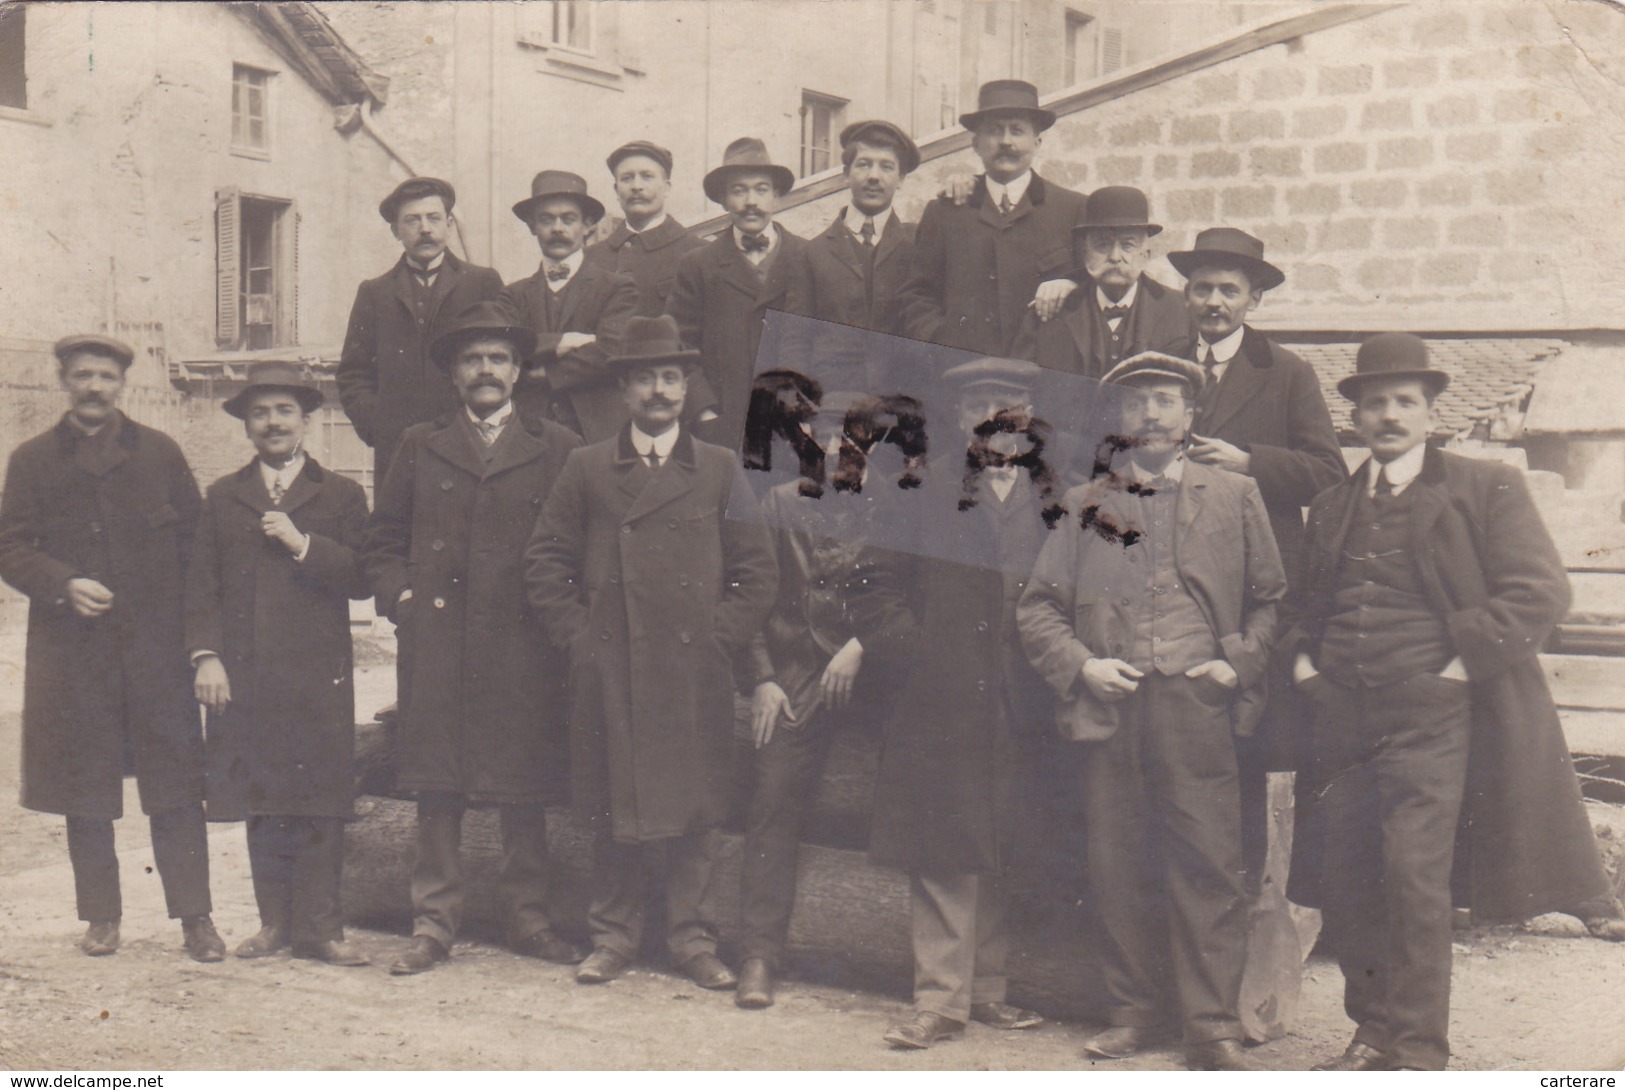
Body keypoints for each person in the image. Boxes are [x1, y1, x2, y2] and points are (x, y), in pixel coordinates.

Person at [1285, 334, 1615, 1071]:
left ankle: (1416, 1048)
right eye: (1375, 403)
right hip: (1341, 715)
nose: (1389, 416)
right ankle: (1370, 1031)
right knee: (1348, 876)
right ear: (1356, 418)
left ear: (1430, 413)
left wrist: (1460, 669)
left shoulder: (1481, 487)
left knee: (1412, 875)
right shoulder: (1333, 503)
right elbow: (1304, 605)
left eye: (1405, 402)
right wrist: (1307, 669)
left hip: (1430, 716)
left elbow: (1540, 592)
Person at [1017, 351, 1286, 1070]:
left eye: (1166, 400)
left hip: (1198, 707)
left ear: (1190, 415)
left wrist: (1236, 664)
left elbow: (1270, 599)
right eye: (1137, 403)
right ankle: (1131, 1013)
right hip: (1113, 707)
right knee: (1117, 862)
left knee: (1209, 865)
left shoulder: (1234, 495)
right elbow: (1038, 610)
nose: (1152, 414)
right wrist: (1083, 665)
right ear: (1118, 419)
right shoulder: (1081, 505)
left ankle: (1210, 1026)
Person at [525, 314, 777, 990]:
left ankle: (693, 941)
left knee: (696, 812)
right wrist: (582, 644)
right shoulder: (587, 467)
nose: (659, 391)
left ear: (687, 385)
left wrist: (717, 640)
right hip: (614, 668)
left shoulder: (720, 468)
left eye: (670, 377)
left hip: (692, 670)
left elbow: (757, 573)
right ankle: (612, 937)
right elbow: (545, 562)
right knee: (616, 806)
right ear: (624, 389)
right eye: (644, 379)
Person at [364, 301, 584, 976]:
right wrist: (401, 599)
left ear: (518, 373)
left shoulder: (557, 448)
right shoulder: (417, 443)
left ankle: (529, 919)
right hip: (439, 643)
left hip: (523, 647)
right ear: (453, 375)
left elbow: (576, 547)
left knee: (522, 788)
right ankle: (433, 925)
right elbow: (383, 540)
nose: (484, 371)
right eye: (471, 360)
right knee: (438, 786)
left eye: (497, 359)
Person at [849, 358, 1052, 1050]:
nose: (998, 416)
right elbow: (871, 589)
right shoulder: (916, 490)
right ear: (963, 416)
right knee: (942, 846)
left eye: (1012, 404)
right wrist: (921, 661)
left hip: (1025, 699)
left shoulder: (1056, 497)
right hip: (939, 700)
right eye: (982, 403)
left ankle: (987, 991)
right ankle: (938, 1001)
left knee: (1000, 837)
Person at [0, 334, 222, 962]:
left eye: (106, 377)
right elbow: (9, 545)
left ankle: (196, 920)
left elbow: (197, 552)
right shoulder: (32, 460)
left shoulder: (160, 453)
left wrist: (198, 643)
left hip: (156, 655)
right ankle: (101, 918)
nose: (95, 387)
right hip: (74, 655)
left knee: (176, 788)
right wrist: (62, 583)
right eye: (82, 376)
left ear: (123, 384)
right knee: (85, 789)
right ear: (62, 382)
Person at [1165, 226, 1345, 886]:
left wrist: (1251, 462)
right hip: (1176, 577)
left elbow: (1328, 473)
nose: (1214, 301)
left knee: (1247, 734)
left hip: (1256, 581)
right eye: (1202, 288)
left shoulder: (1286, 372)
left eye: (1229, 291)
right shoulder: (1160, 365)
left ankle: (1248, 893)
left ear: (1254, 301)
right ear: (1186, 295)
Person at [185, 362, 371, 966]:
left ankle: (321, 928)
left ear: (305, 420)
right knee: (263, 800)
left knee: (320, 799)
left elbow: (365, 578)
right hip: (247, 673)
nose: (272, 423)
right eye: (260, 412)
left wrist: (303, 544)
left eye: (284, 411)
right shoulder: (221, 497)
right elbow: (201, 585)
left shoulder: (342, 494)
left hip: (318, 675)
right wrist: (207, 657)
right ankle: (274, 925)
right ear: (246, 425)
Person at [735, 389, 889, 1010]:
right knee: (773, 793)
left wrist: (862, 644)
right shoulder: (778, 503)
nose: (847, 453)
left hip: (877, 671)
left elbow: (913, 602)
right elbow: (749, 595)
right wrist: (763, 677)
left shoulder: (903, 513)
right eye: (837, 441)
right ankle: (757, 956)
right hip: (796, 670)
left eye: (864, 443)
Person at [898, 80, 1087, 357]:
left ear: (1037, 142)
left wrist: (1071, 286)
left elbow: (1094, 289)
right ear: (975, 144)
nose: (1006, 141)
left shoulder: (1073, 209)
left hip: (1043, 377)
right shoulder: (944, 212)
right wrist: (941, 340)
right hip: (962, 377)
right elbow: (917, 296)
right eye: (994, 131)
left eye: (1017, 130)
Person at [337, 177, 504, 483]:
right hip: (398, 450)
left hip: (470, 447)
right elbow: (352, 375)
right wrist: (379, 427)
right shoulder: (375, 293)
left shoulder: (482, 282)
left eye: (434, 218)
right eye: (412, 220)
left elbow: (506, 361)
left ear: (449, 225)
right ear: (395, 230)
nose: (425, 228)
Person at [665, 137, 812, 449]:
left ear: (777, 196)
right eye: (738, 190)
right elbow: (679, 346)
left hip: (793, 425)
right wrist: (703, 411)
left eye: (761, 189)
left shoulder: (808, 257)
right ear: (723, 199)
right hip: (724, 427)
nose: (750, 201)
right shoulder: (697, 265)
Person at [498, 169, 639, 441]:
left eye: (568, 219)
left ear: (587, 226)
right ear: (532, 227)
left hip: (597, 433)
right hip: (528, 432)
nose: (558, 228)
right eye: (547, 219)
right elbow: (507, 353)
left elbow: (612, 352)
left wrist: (546, 370)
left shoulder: (617, 288)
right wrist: (565, 341)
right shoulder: (512, 295)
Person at [788, 120, 922, 395]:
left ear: (901, 179)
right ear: (845, 174)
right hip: (832, 406)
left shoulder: (919, 245)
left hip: (902, 405)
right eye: (863, 164)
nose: (874, 176)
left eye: (887, 166)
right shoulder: (812, 253)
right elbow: (796, 340)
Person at [1011, 186, 1189, 378]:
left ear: (1145, 255)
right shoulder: (1048, 314)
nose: (1114, 256)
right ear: (1086, 254)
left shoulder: (1181, 310)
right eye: (1103, 244)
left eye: (1127, 245)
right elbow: (1017, 388)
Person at [584, 141, 704, 317]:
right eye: (627, 178)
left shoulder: (699, 253)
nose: (636, 186)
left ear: (666, 188)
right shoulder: (589, 259)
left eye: (647, 176)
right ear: (616, 190)